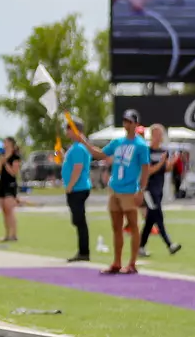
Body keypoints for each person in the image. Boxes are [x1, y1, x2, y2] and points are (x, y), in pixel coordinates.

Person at [68, 110, 147, 274]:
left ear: (135, 124)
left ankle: (132, 263)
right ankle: (117, 262)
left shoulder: (141, 145)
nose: (126, 124)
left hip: (130, 189)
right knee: (116, 227)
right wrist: (84, 142)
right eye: (125, 121)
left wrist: (141, 191)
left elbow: (145, 169)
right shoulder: (117, 142)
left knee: (133, 226)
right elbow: (100, 154)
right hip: (115, 188)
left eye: (130, 122)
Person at [140, 123, 182, 258]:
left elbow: (166, 170)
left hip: (159, 188)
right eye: (156, 134)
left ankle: (140, 246)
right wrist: (161, 163)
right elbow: (148, 171)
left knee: (151, 220)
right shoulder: (147, 151)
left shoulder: (164, 151)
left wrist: (172, 162)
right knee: (158, 216)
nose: (159, 137)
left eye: (160, 134)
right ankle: (169, 244)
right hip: (148, 189)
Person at [62, 120, 93, 262]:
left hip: (78, 188)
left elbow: (78, 168)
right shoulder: (75, 148)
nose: (67, 132)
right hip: (76, 188)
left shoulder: (79, 148)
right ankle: (82, 250)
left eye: (69, 129)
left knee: (80, 221)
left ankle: (84, 251)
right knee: (77, 220)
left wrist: (70, 186)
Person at [0, 136, 22, 243]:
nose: (4, 144)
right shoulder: (1, 155)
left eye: (6, 142)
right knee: (4, 210)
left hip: (10, 184)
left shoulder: (15, 157)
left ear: (11, 144)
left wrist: (6, 163)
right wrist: (0, 162)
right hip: (2, 183)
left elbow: (14, 172)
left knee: (10, 209)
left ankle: (14, 234)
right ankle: (6, 234)